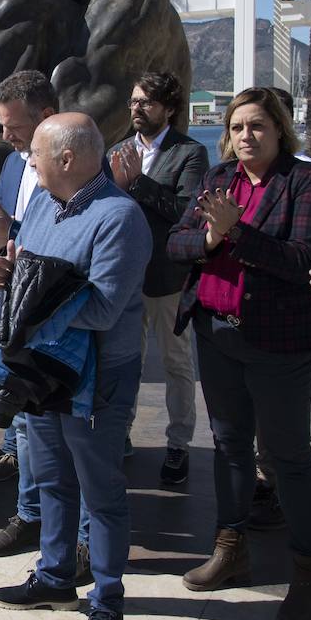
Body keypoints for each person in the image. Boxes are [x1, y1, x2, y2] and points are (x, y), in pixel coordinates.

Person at [0, 113, 151, 620]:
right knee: (50, 475)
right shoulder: (43, 208)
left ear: (68, 159)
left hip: (97, 375)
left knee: (100, 492)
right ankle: (54, 576)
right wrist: (7, 278)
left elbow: (101, 308)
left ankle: (107, 599)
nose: (29, 161)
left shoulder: (120, 218)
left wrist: (31, 291)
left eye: (36, 154)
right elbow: (30, 272)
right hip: (43, 369)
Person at [165, 87, 311, 620]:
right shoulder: (217, 179)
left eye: (258, 126)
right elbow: (176, 243)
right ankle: (230, 546)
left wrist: (235, 233)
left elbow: (304, 257)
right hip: (216, 335)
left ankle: (307, 574)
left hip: (280, 342)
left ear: (280, 129)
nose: (246, 137)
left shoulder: (307, 181)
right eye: (238, 127)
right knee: (228, 445)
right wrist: (212, 239)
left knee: (288, 457)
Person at [0, 70, 57, 556]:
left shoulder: (73, 166)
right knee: (16, 414)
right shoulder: (15, 165)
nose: (4, 136)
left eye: (12, 124)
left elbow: (57, 235)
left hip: (47, 315)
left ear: (45, 116)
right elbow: (13, 230)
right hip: (8, 302)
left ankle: (34, 518)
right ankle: (29, 503)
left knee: (37, 420)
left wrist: (6, 234)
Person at [109, 71, 209, 483]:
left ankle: (178, 443)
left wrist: (138, 183)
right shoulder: (116, 150)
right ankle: (121, 434)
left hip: (169, 278)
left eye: (146, 102)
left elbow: (185, 211)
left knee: (176, 363)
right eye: (133, 101)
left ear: (169, 108)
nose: (136, 108)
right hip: (126, 278)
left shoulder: (190, 153)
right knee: (123, 362)